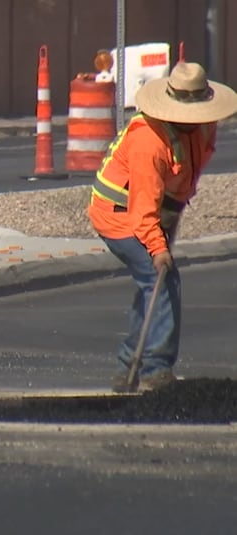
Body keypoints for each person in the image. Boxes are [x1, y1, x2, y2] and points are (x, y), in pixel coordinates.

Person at [89, 61, 237, 392]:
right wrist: (157, 248)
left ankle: (129, 367)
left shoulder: (202, 127)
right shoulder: (149, 141)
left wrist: (171, 215)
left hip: (157, 209)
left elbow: (184, 174)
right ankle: (156, 369)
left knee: (150, 286)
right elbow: (141, 210)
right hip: (119, 213)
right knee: (162, 278)